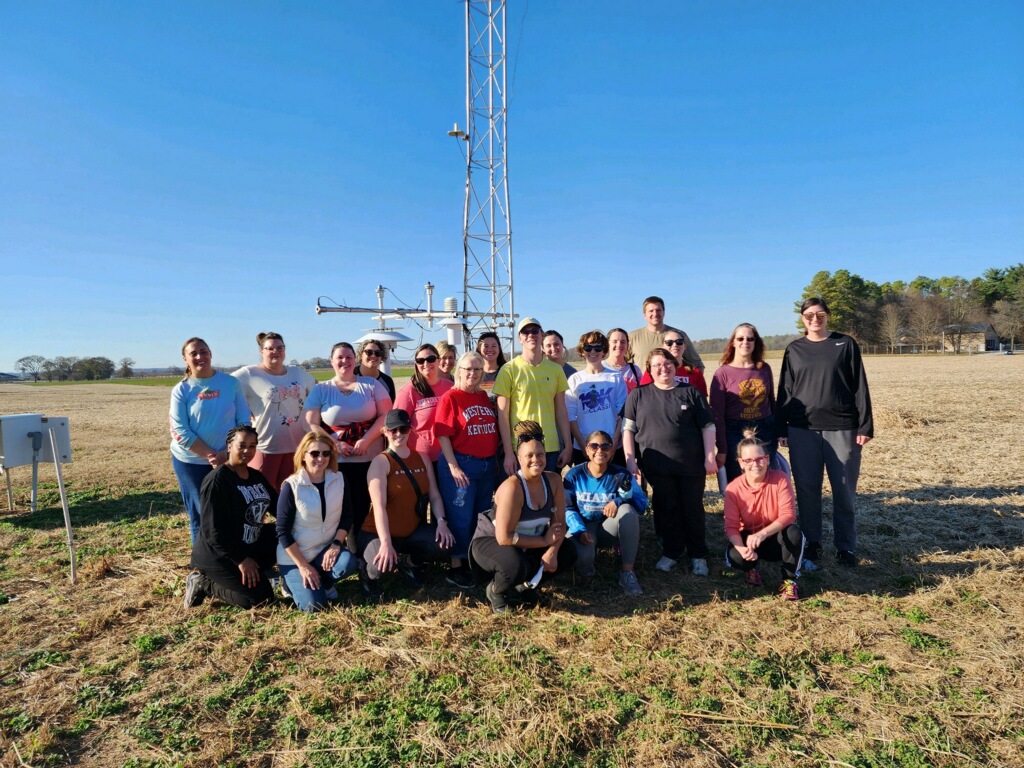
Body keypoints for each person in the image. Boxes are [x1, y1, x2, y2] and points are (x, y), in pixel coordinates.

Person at [776, 298, 873, 568]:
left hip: (842, 427)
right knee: (807, 489)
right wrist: (780, 427)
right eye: (809, 315)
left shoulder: (845, 344)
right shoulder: (794, 349)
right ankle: (812, 542)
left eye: (820, 314)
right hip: (801, 429)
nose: (814, 319)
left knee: (844, 490)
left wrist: (865, 425)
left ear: (828, 316)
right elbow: (785, 390)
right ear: (802, 318)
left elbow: (859, 386)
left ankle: (846, 546)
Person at [623, 348, 717, 576]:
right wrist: (630, 460)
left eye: (667, 364)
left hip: (690, 465)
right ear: (649, 369)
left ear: (675, 367)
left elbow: (708, 426)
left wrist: (709, 457)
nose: (663, 369)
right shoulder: (638, 395)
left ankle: (698, 554)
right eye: (657, 365)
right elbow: (628, 429)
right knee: (666, 508)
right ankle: (671, 552)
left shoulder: (691, 393)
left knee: (692, 509)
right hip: (656, 466)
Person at [469, 421, 576, 614]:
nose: (536, 460)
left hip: (526, 541)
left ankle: (525, 586)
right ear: (519, 458)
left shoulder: (554, 481)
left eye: (540, 454)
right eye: (529, 455)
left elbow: (559, 524)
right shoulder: (512, 488)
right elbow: (504, 538)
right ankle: (495, 591)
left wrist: (552, 551)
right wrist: (544, 541)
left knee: (568, 551)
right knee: (515, 565)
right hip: (492, 541)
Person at [359, 410, 455, 598]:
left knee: (445, 545)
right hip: (376, 533)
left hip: (410, 532)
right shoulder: (380, 462)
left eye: (403, 429)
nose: (398, 434)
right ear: (385, 431)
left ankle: (408, 562)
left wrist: (441, 522)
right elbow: (378, 507)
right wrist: (385, 542)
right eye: (392, 430)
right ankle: (365, 572)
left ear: (410, 430)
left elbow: (434, 496)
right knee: (381, 567)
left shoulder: (422, 458)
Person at [184, 426, 277, 609]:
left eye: (252, 446)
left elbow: (279, 508)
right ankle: (203, 583)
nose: (247, 451)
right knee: (261, 599)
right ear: (229, 446)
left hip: (247, 543)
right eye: (242, 445)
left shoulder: (256, 477)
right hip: (219, 554)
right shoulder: (217, 480)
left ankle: (260, 572)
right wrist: (241, 559)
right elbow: (212, 531)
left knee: (281, 533)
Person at [304, 342, 391, 535]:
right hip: (336, 461)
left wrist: (366, 441)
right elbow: (310, 423)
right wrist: (335, 444)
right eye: (340, 357)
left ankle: (364, 543)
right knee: (340, 506)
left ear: (355, 359)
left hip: (370, 459)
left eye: (349, 357)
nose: (345, 361)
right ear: (331, 361)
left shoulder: (371, 385)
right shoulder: (321, 389)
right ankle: (338, 543)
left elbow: (386, 415)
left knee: (364, 504)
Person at [170, 337, 251, 544]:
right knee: (201, 512)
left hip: (229, 459)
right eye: (194, 353)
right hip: (192, 462)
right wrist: (211, 455)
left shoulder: (231, 383)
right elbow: (180, 431)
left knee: (231, 509)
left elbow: (244, 421)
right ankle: (203, 559)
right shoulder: (182, 390)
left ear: (210, 354)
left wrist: (227, 453)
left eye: (204, 352)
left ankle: (234, 555)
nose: (200, 357)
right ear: (185, 359)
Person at [434, 351, 500, 589]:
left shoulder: (482, 396)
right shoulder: (450, 398)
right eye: (468, 369)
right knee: (460, 517)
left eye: (477, 369)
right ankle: (456, 566)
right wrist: (453, 466)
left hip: (486, 465)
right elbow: (442, 434)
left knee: (480, 516)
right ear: (458, 371)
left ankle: (476, 561)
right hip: (462, 464)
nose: (473, 373)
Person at [276, 433, 359, 611]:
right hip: (296, 557)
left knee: (348, 563)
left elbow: (347, 516)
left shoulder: (339, 479)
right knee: (314, 606)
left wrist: (336, 544)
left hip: (324, 550)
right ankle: (290, 584)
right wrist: (303, 565)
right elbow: (282, 531)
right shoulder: (291, 485)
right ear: (303, 455)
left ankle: (324, 582)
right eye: (314, 453)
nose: (320, 458)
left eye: (326, 453)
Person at [563, 430, 647, 596]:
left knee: (627, 511)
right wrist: (579, 531)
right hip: (584, 527)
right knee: (582, 560)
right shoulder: (574, 475)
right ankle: (587, 561)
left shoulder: (621, 474)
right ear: (587, 450)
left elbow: (642, 505)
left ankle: (627, 572)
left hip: (608, 528)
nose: (600, 450)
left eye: (605, 446)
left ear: (612, 450)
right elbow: (567, 508)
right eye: (594, 446)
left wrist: (619, 500)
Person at [724, 430, 804, 600]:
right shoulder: (733, 489)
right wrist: (742, 549)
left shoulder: (781, 479)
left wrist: (762, 534)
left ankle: (789, 580)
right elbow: (731, 526)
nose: (755, 464)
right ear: (741, 463)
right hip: (749, 540)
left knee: (794, 533)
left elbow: (788, 515)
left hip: (774, 538)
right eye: (748, 460)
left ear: (767, 459)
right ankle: (752, 568)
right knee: (734, 556)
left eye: (760, 459)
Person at [232, 332, 316, 492]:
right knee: (261, 494)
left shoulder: (297, 372)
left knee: (290, 494)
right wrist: (243, 409)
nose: (275, 351)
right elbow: (225, 388)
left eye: (280, 348)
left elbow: (317, 391)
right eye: (270, 348)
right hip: (265, 445)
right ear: (261, 351)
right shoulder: (248, 374)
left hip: (297, 446)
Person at [493, 317, 573, 474]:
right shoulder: (508, 370)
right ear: (520, 338)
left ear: (542, 335)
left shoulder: (556, 370)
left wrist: (568, 445)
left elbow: (561, 411)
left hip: (550, 448)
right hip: (521, 448)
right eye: (526, 332)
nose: (531, 335)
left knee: (550, 489)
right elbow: (503, 415)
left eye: (535, 331)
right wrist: (509, 452)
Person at [710, 323, 777, 482]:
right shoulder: (722, 374)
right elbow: (717, 415)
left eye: (750, 339)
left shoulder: (764, 368)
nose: (745, 342)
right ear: (733, 342)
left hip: (764, 428)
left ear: (755, 342)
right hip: (734, 432)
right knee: (739, 480)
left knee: (766, 477)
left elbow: (771, 402)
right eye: (740, 338)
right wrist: (722, 448)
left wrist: (777, 430)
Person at [565, 330, 627, 466]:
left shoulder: (616, 377)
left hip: (611, 446)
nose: (593, 351)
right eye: (588, 348)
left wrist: (614, 444)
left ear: (604, 351)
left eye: (598, 348)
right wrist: (583, 446)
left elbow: (623, 414)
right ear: (582, 351)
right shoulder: (575, 379)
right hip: (584, 447)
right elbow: (570, 416)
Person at [393, 343, 454, 467]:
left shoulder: (450, 387)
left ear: (438, 360)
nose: (426, 364)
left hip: (451, 455)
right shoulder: (408, 391)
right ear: (416, 364)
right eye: (420, 360)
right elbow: (396, 427)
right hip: (422, 459)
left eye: (430, 359)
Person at [628, 295, 705, 372]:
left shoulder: (678, 336)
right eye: (651, 311)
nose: (655, 314)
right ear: (644, 315)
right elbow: (621, 363)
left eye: (658, 310)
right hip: (643, 380)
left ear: (664, 312)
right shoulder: (633, 337)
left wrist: (694, 379)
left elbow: (697, 364)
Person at [637, 329, 707, 397]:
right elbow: (643, 395)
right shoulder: (654, 371)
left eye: (679, 342)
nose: (675, 345)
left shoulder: (695, 372)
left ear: (685, 346)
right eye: (669, 343)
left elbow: (701, 399)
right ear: (662, 346)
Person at [604, 327, 642, 394]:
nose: (619, 345)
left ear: (628, 345)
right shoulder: (600, 368)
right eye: (614, 341)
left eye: (623, 342)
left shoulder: (635, 370)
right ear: (607, 344)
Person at [476, 330, 507, 406]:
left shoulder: (507, 372)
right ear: (479, 349)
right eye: (486, 346)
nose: (490, 350)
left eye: (493, 346)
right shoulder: (474, 373)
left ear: (499, 348)